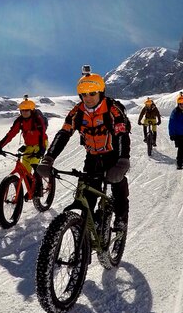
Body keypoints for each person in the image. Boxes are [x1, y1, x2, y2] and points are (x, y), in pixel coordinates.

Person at [37, 72, 130, 230]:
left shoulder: (112, 109)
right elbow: (64, 133)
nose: (88, 98)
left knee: (118, 188)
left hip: (113, 157)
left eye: (92, 93)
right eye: (84, 94)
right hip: (92, 157)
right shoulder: (77, 112)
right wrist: (48, 158)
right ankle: (87, 231)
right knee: (88, 196)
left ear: (101, 92)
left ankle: (121, 221)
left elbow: (122, 134)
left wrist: (123, 161)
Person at [0, 95, 49, 198]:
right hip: (29, 146)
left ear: (31, 110)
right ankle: (32, 189)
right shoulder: (20, 121)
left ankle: (39, 190)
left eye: (27, 110)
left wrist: (42, 149)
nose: (24, 112)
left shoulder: (37, 119)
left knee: (35, 166)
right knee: (25, 171)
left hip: (41, 143)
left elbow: (41, 134)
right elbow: (11, 134)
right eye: (22, 110)